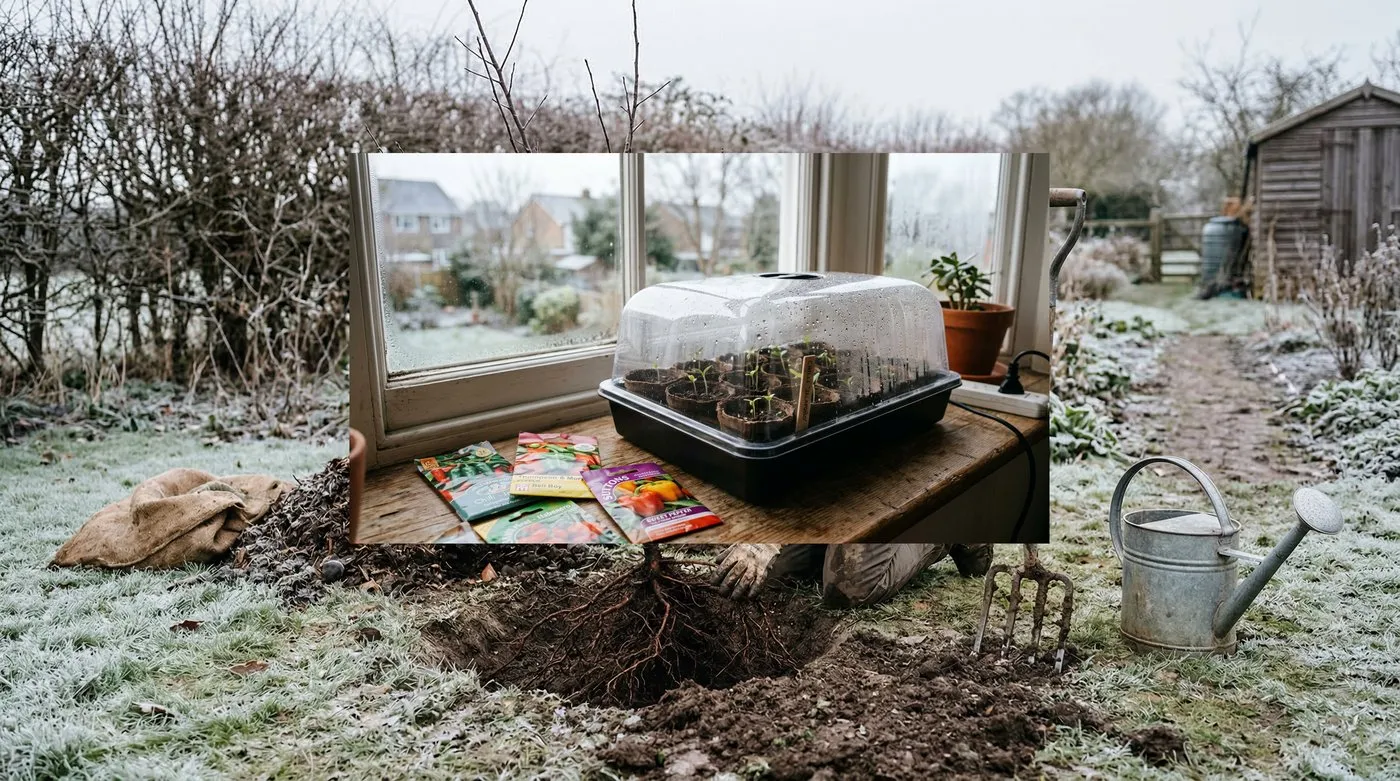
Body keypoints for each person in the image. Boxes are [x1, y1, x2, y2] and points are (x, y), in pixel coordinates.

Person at [712, 543, 994, 608]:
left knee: (848, 587)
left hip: (880, 473)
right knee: (768, 579)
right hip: (817, 486)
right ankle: (831, 544)